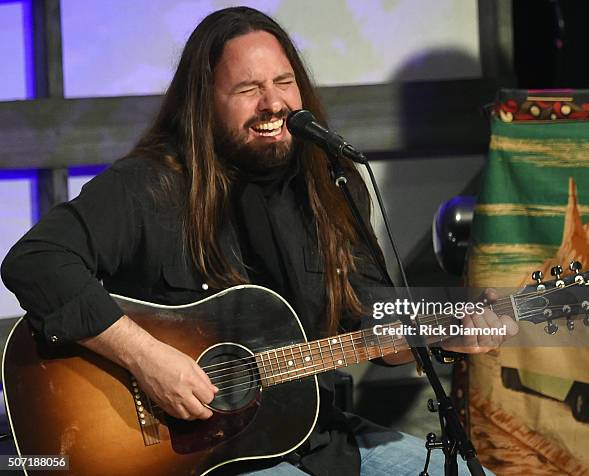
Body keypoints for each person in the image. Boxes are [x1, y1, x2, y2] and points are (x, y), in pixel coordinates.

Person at [1, 7, 517, 475]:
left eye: (284, 81)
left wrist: (442, 332)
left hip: (318, 441)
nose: (273, 102)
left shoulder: (331, 183)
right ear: (204, 102)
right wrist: (148, 360)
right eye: (248, 89)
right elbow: (36, 261)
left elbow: (368, 325)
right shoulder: (150, 185)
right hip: (203, 457)